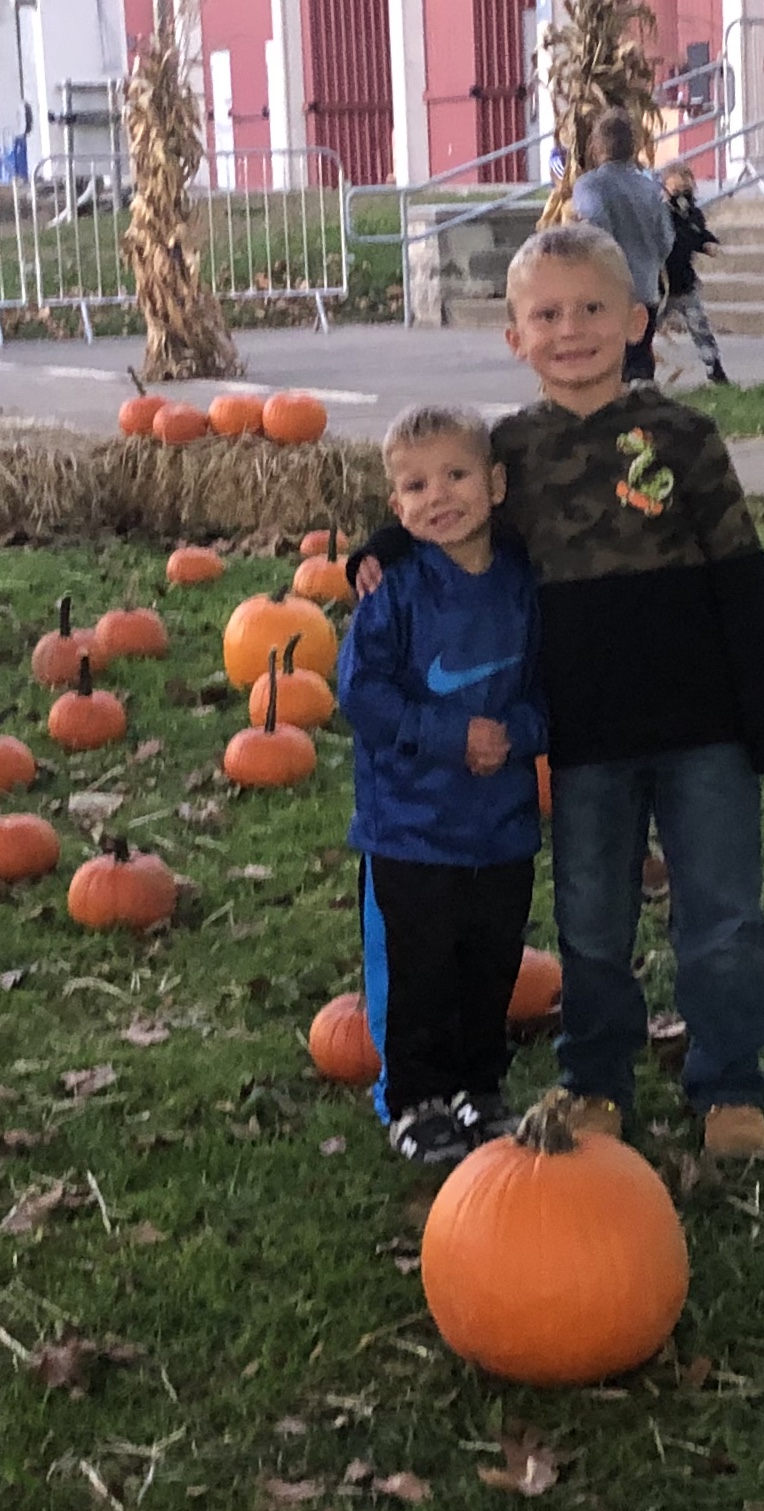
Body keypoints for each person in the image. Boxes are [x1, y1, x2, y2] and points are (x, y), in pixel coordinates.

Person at [354, 224, 764, 1158]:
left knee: (719, 910)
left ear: (638, 320)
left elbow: (740, 574)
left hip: (704, 725)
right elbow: (446, 500)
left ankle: (729, 1080)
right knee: (591, 920)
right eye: (546, 314)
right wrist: (382, 544)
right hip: (585, 733)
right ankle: (596, 1074)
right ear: (514, 337)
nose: (572, 329)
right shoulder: (510, 452)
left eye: (593, 308)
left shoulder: (683, 436)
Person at [336, 403, 546, 1167]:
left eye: (456, 475)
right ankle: (416, 1096)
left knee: (490, 961)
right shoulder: (392, 591)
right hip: (410, 827)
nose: (438, 496)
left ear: (495, 485)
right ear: (396, 507)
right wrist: (448, 735)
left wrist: (518, 735)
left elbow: (550, 688)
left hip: (500, 825)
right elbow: (361, 693)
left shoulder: (523, 584)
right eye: (416, 486)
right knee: (420, 964)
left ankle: (477, 1085)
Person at [570, 108, 675, 383]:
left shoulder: (590, 185)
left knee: (608, 370)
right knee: (640, 361)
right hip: (646, 288)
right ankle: (643, 419)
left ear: (597, 146)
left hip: (607, 292)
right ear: (634, 147)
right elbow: (666, 239)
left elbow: (595, 228)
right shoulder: (651, 187)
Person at [657, 160, 729, 385]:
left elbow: (698, 235)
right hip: (661, 285)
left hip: (685, 284)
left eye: (686, 191)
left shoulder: (692, 216)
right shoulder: (660, 216)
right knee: (647, 328)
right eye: (676, 191)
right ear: (664, 191)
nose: (682, 197)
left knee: (700, 327)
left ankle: (714, 369)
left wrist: (708, 243)